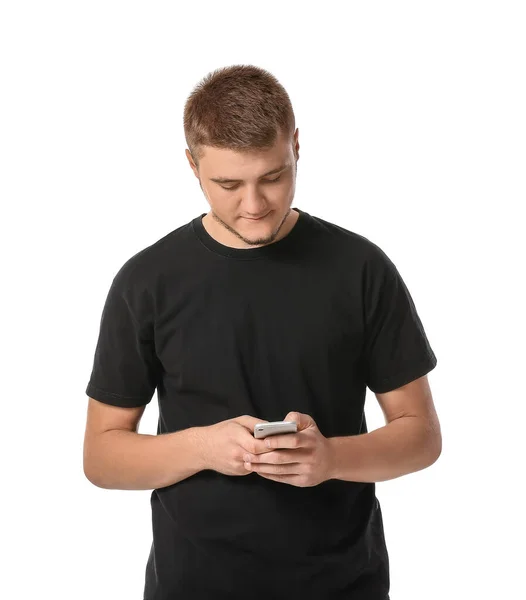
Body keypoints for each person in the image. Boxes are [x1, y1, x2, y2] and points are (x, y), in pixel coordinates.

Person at [83, 64, 441, 600]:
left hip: (343, 584)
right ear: (191, 164)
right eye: (228, 184)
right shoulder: (147, 282)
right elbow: (101, 457)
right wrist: (204, 447)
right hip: (193, 585)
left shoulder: (361, 268)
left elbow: (422, 436)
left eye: (273, 176)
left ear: (296, 145)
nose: (254, 206)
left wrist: (333, 459)